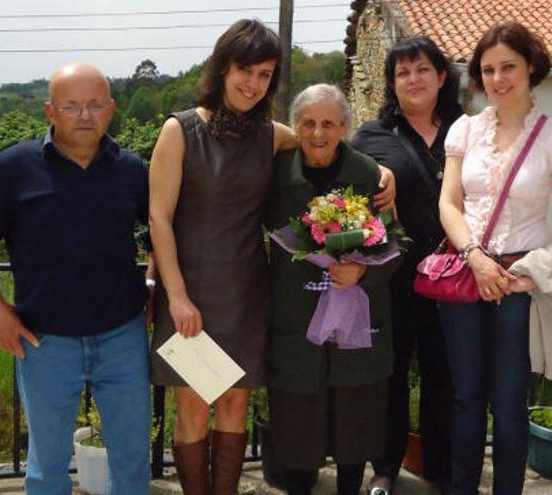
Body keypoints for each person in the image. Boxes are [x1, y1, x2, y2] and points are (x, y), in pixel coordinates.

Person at [149, 20, 396, 495]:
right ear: (223, 68)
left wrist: (384, 171)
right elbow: (159, 220)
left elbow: (323, 140)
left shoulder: (270, 134)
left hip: (247, 293)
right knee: (195, 408)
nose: (253, 83)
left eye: (265, 74)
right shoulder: (179, 131)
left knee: (235, 407)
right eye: (245, 69)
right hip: (192, 292)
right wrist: (176, 297)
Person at [0, 62, 154, 494]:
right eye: (71, 106)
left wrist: (155, 285)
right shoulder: (13, 168)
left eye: (96, 104)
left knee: (133, 462)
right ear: (50, 110)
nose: (85, 115)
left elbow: (163, 233)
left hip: (123, 337)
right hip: (44, 343)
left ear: (112, 109)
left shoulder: (132, 170)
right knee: (47, 468)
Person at [438, 21, 552, 494]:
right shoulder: (464, 130)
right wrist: (476, 258)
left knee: (509, 403)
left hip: (520, 280)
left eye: (508, 67)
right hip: (467, 272)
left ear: (530, 68)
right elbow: (449, 203)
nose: (498, 79)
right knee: (465, 400)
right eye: (488, 70)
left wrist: (533, 274)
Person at [265, 83, 400, 495]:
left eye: (328, 123)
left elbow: (398, 243)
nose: (318, 133)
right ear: (295, 128)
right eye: (308, 123)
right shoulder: (275, 175)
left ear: (345, 126)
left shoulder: (370, 176)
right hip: (296, 323)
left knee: (354, 426)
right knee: (297, 430)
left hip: (357, 324)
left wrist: (364, 271)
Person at [350, 37, 462, 495]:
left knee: (446, 376)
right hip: (393, 280)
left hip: (457, 280)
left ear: (441, 77)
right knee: (390, 376)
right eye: (402, 72)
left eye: (421, 69)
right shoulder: (371, 137)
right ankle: (385, 468)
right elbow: (347, 196)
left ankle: (440, 466)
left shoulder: (469, 131)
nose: (412, 79)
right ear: (392, 84)